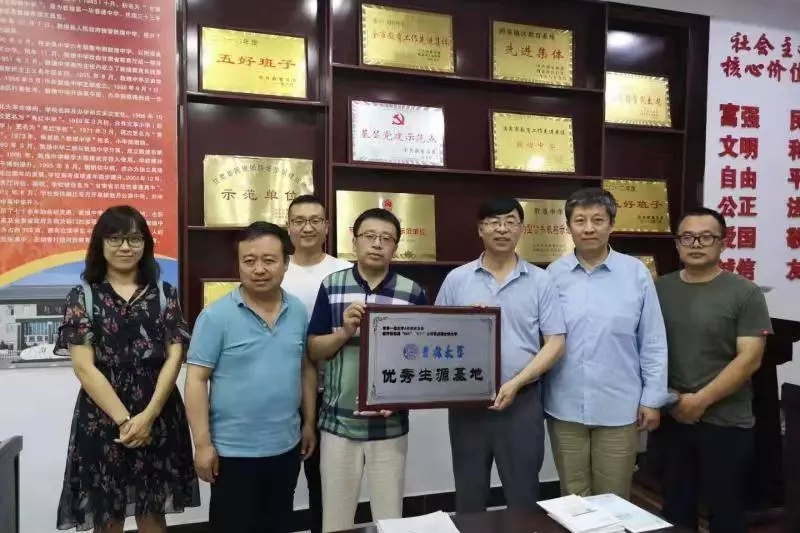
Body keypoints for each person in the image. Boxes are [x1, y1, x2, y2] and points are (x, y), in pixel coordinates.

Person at [54, 205, 200, 532]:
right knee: (107, 516)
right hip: (103, 418)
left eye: (134, 239)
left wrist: (148, 417)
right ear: (100, 244)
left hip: (158, 413)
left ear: (145, 244)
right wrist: (125, 421)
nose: (125, 247)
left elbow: (175, 356)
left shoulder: (164, 293)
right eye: (116, 239)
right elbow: (84, 367)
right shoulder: (83, 296)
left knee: (153, 513)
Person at [184, 222, 317, 533]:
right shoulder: (216, 316)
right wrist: (202, 445)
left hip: (285, 447)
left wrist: (309, 423)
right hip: (232, 453)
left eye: (269, 260)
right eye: (249, 260)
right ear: (239, 264)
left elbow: (305, 368)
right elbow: (196, 380)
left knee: (278, 525)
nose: (259, 269)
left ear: (286, 262)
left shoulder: (297, 311)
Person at [434, 197, 566, 512]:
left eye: (510, 221)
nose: (502, 229)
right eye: (494, 222)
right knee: (469, 494)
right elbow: (435, 335)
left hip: (522, 402)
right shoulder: (457, 279)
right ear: (480, 229)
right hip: (468, 402)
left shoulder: (540, 280)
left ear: (522, 229)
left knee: (523, 494)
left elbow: (556, 341)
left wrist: (516, 383)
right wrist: (462, 321)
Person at [544, 188, 671, 499]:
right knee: (572, 497)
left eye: (598, 220)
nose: (589, 228)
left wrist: (652, 399)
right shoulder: (553, 275)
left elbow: (653, 340)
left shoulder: (635, 273)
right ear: (569, 227)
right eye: (580, 221)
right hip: (564, 404)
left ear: (611, 225)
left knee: (613, 498)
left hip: (620, 407)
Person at [306, 208, 427, 533]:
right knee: (335, 520)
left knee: (389, 520)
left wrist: (399, 398)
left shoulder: (412, 292)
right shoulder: (332, 286)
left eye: (386, 238)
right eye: (369, 236)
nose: (377, 244)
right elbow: (314, 349)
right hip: (338, 424)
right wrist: (344, 332)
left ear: (395, 246)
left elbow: (421, 361)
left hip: (390, 426)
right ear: (354, 241)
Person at [653, 207, 772, 533]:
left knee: (726, 511)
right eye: (688, 237)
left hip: (726, 422)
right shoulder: (658, 289)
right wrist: (673, 399)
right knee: (675, 510)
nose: (696, 244)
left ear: (723, 243)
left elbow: (750, 358)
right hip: (672, 417)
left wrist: (700, 401)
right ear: (677, 244)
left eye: (706, 237)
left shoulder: (744, 292)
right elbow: (646, 349)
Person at [281, 195, 350, 533]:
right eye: (299, 221)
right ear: (288, 227)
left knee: (325, 485)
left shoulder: (344, 272)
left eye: (314, 220)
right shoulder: (276, 270)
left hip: (334, 392)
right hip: (284, 393)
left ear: (327, 226)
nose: (307, 227)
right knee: (280, 484)